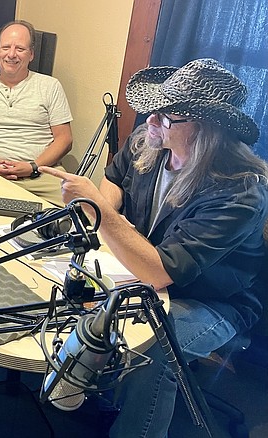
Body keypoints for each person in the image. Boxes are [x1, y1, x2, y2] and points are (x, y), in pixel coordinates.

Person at [41, 58, 268, 437]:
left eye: (166, 117)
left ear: (204, 130)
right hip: (141, 273)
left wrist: (97, 207)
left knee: (154, 349)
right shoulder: (149, 143)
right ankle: (89, 393)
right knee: (67, 295)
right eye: (154, 110)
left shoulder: (239, 192)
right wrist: (97, 207)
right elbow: (115, 183)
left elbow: (162, 271)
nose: (151, 121)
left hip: (210, 301)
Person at [0, 19, 74, 206]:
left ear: (31, 54)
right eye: (5, 47)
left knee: (86, 214)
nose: (11, 54)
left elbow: (65, 139)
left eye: (20, 49)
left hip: (41, 175)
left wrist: (32, 167)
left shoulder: (50, 86)